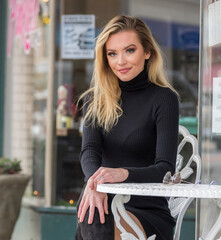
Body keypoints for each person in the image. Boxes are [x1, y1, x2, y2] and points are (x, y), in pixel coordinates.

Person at [75, 15, 179, 240]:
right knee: (94, 212)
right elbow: (89, 151)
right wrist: (97, 184)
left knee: (95, 219)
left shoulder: (164, 98)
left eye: (129, 50)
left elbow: (165, 169)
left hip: (146, 208)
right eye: (112, 53)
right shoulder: (95, 99)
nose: (120, 61)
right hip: (103, 198)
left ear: (147, 52)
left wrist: (122, 174)